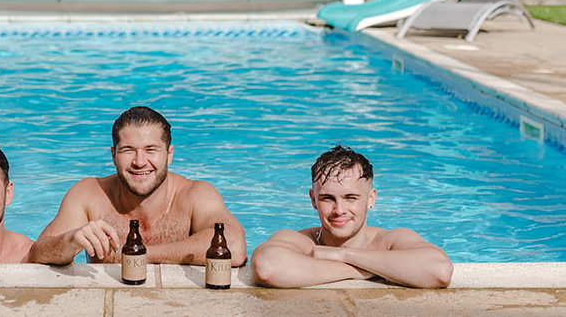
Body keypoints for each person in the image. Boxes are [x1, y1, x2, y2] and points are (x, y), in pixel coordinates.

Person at [30, 106, 246, 266]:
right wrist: (70, 240)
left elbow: (234, 248)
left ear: (169, 154)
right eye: (128, 150)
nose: (140, 161)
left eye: (151, 149)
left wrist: (142, 254)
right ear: (113, 155)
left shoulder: (195, 195)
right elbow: (38, 254)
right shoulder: (89, 194)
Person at [250, 145, 453, 288]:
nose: (339, 210)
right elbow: (267, 268)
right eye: (328, 198)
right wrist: (367, 271)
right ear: (313, 200)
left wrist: (343, 255)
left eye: (350, 198)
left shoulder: (390, 240)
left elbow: (439, 271)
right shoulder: (302, 241)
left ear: (371, 199)